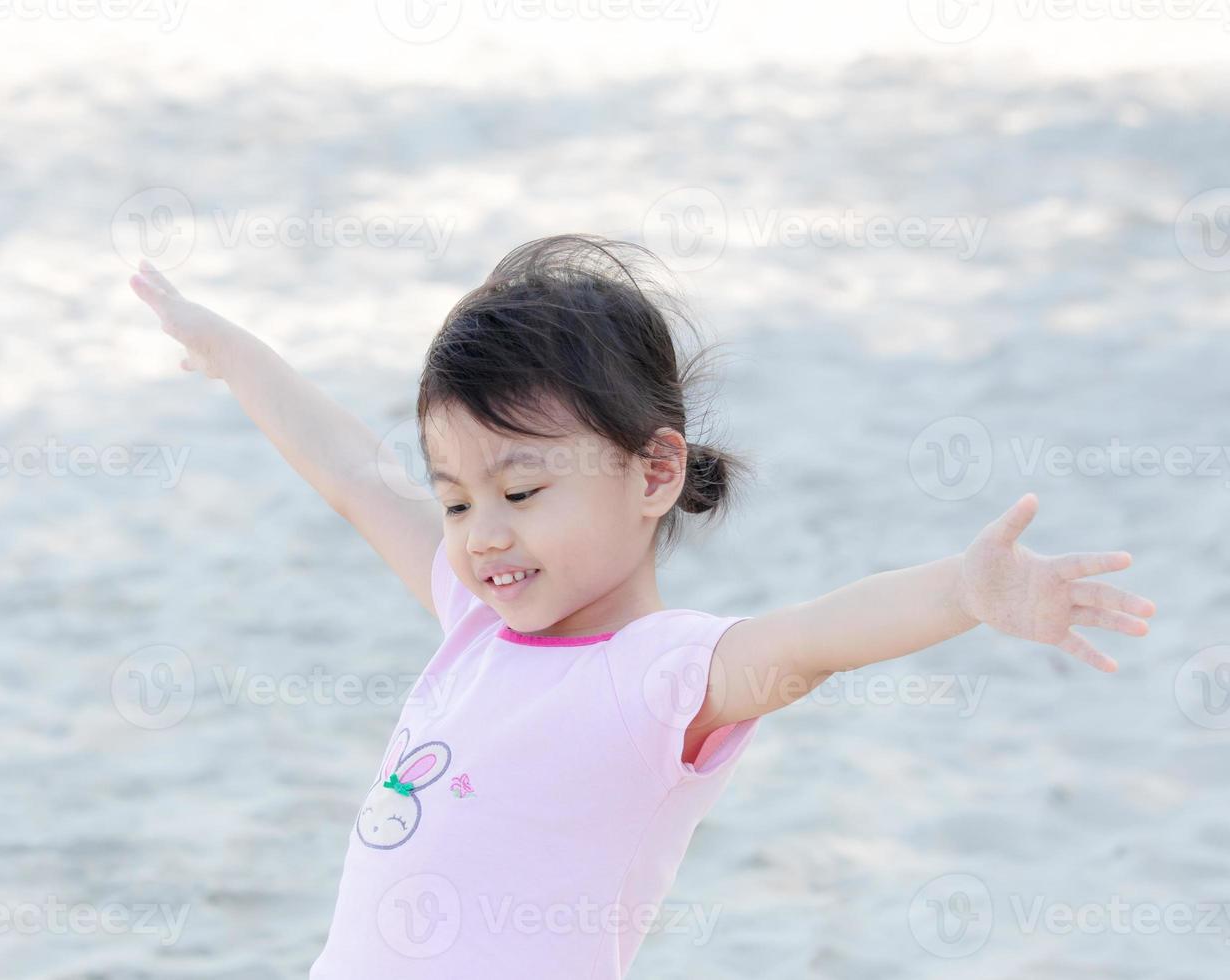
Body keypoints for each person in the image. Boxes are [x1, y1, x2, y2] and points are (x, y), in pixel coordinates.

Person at [126, 234, 1156, 978]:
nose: (483, 530)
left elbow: (811, 641)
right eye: (456, 497)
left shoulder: (662, 674)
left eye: (522, 491)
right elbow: (353, 471)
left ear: (655, 469)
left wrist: (963, 589)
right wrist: (231, 351)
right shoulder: (475, 621)